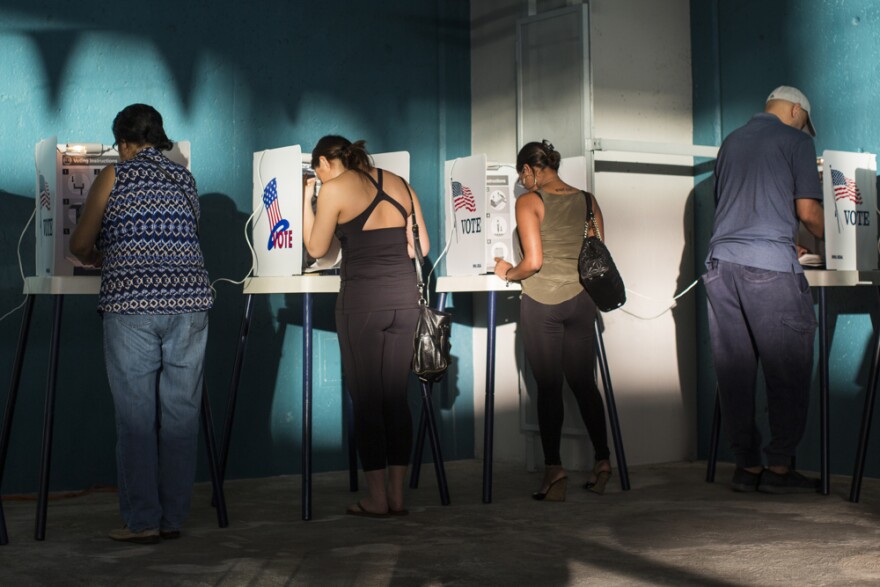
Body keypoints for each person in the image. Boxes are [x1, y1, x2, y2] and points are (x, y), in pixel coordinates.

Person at [70, 104, 212, 542]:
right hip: (190, 302)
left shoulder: (115, 175)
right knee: (181, 416)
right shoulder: (184, 179)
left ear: (124, 142)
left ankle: (143, 522)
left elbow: (79, 243)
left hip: (133, 304)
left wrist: (98, 256)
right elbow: (188, 235)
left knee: (136, 417)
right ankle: (172, 519)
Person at [704, 86, 824, 493]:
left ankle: (746, 468)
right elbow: (808, 212)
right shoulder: (795, 142)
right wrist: (847, 243)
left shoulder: (731, 141)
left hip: (722, 269)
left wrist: (781, 236)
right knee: (787, 369)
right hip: (769, 270)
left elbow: (733, 208)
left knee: (735, 374)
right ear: (795, 111)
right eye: (804, 122)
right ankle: (778, 470)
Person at [302, 135, 429, 516]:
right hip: (404, 299)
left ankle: (376, 499)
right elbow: (419, 249)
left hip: (363, 304)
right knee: (395, 398)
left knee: (368, 400)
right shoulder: (399, 183)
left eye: (316, 169)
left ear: (324, 162)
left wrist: (308, 200)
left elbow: (316, 248)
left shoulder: (334, 189)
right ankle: (397, 496)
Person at [493, 140, 612, 500]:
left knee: (548, 387)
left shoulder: (530, 202)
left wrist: (506, 272)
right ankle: (603, 461)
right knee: (583, 383)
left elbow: (533, 262)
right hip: (582, 302)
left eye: (521, 175)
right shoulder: (588, 200)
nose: (522, 182)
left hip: (544, 302)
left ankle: (554, 472)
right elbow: (598, 252)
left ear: (529, 170)